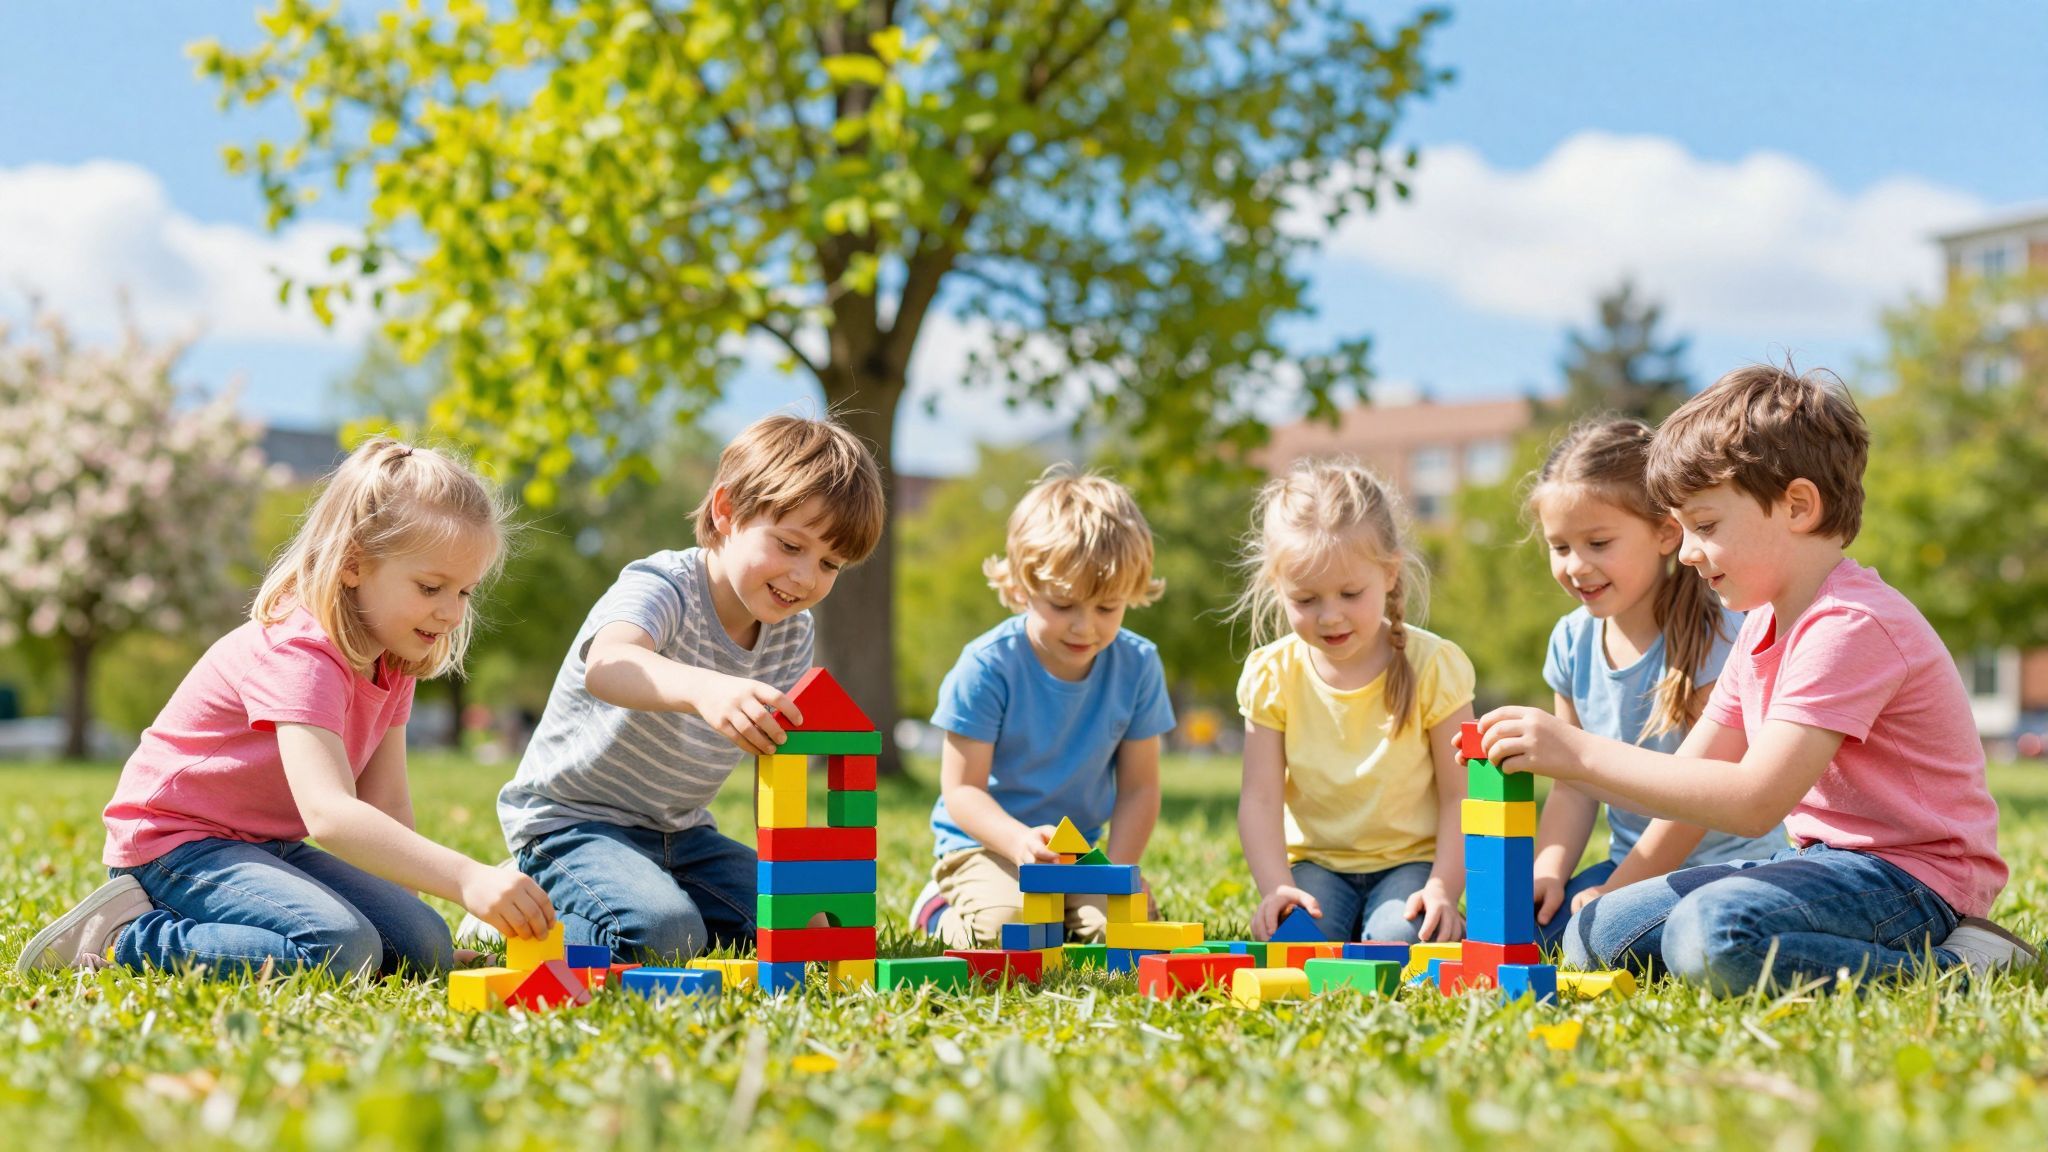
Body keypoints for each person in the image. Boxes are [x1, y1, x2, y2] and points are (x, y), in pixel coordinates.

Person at [1479, 365, 2035, 991]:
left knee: (1712, 936)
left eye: (1705, 526)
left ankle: (1966, 967)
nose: (1686, 552)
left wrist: (1577, 753)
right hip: (1824, 865)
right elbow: (1690, 779)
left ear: (1797, 506)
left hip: (1912, 879)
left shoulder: (1850, 623)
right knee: (1595, 935)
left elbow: (1753, 801)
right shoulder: (1763, 625)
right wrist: (1613, 885)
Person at [17, 438, 554, 978]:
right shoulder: (301, 653)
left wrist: (413, 936)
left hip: (263, 846)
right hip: (174, 846)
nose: (452, 613)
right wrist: (466, 877)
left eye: (464, 592)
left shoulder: (393, 659)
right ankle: (125, 937)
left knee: (424, 945)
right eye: (431, 587)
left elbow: (387, 805)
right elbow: (330, 814)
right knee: (341, 949)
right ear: (354, 564)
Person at [474, 414, 885, 962]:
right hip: (572, 825)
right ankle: (520, 911)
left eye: (830, 563)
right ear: (726, 511)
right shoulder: (664, 586)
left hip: (683, 838)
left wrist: (792, 873)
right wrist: (705, 690)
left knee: (801, 932)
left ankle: (646, 895)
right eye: (790, 545)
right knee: (664, 932)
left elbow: (778, 762)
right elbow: (609, 662)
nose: (806, 577)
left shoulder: (792, 632)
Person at [1523, 417, 1778, 951]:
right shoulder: (1571, 640)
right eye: (1560, 547)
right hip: (1631, 864)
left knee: (1598, 937)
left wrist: (1617, 891)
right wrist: (1549, 871)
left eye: (1598, 542)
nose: (1576, 566)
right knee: (1532, 931)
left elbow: (1698, 803)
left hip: (1729, 870)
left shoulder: (1716, 633)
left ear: (1665, 532)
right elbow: (1572, 784)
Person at [908, 468, 1175, 948]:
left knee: (1123, 935)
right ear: (1021, 587)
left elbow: (1140, 787)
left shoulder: (1138, 665)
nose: (1084, 627)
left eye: (1107, 608)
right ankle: (935, 910)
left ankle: (1065, 913)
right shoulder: (987, 666)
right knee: (1010, 933)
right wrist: (1018, 842)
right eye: (1063, 604)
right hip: (987, 847)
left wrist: (1117, 874)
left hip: (1077, 853)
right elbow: (962, 790)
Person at [1232, 459, 1472, 944]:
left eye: (1349, 593)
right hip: (1317, 866)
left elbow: (1460, 796)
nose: (1330, 616)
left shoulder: (1433, 666)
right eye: (1306, 599)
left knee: (1399, 939)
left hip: (1411, 865)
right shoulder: (1271, 674)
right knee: (1295, 940)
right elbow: (1259, 798)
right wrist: (1277, 887)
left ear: (1389, 573)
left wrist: (1442, 889)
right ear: (1278, 587)